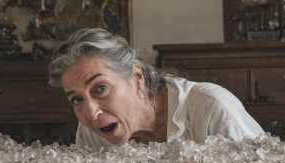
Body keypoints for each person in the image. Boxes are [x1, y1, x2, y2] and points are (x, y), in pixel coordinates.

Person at [48, 28, 264, 151]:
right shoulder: (93, 127)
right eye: (77, 100)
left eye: (101, 88)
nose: (91, 112)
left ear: (137, 78)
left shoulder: (213, 107)